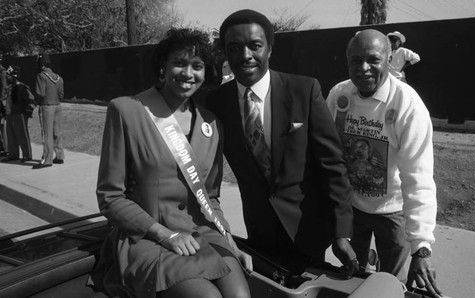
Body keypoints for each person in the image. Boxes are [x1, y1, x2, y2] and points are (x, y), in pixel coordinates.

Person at [88, 28, 251, 298]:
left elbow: (210, 198)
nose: (188, 74)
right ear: (163, 66)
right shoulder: (126, 110)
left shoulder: (212, 124)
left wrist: (230, 242)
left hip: (200, 233)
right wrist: (165, 234)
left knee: (240, 295)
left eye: (197, 66)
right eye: (179, 63)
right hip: (147, 237)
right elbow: (110, 197)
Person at [206, 9, 357, 278]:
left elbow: (333, 165)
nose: (245, 56)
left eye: (255, 46)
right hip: (259, 231)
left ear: (270, 48)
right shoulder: (215, 103)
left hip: (308, 230)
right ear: (226, 54)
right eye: (234, 48)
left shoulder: (304, 90)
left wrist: (341, 231)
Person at [325, 29, 443, 298]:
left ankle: (382, 265)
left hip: (393, 211)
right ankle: (368, 260)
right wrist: (334, 221)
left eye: (373, 60)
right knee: (351, 280)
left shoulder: (407, 105)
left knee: (393, 285)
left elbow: (419, 177)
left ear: (389, 60)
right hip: (351, 208)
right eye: (356, 60)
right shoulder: (338, 96)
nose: (363, 68)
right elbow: (327, 158)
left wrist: (421, 246)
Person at [33, 53, 64, 169]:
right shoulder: (59, 77)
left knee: (47, 134)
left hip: (46, 107)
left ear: (41, 65)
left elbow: (40, 93)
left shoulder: (41, 76)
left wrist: (36, 102)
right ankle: (60, 156)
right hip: (58, 106)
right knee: (57, 132)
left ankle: (47, 159)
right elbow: (61, 94)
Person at [1, 66, 32, 163]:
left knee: (22, 135)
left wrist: (27, 113)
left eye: (9, 75)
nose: (6, 77)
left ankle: (27, 155)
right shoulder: (8, 88)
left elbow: (31, 100)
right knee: (11, 135)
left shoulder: (21, 87)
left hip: (20, 115)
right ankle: (13, 155)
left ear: (14, 76)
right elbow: (4, 100)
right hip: (9, 114)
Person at [0, 55, 8, 156]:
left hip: (1, 101)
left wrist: (2, 99)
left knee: (3, 124)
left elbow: (3, 85)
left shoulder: (2, 71)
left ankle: (6, 148)